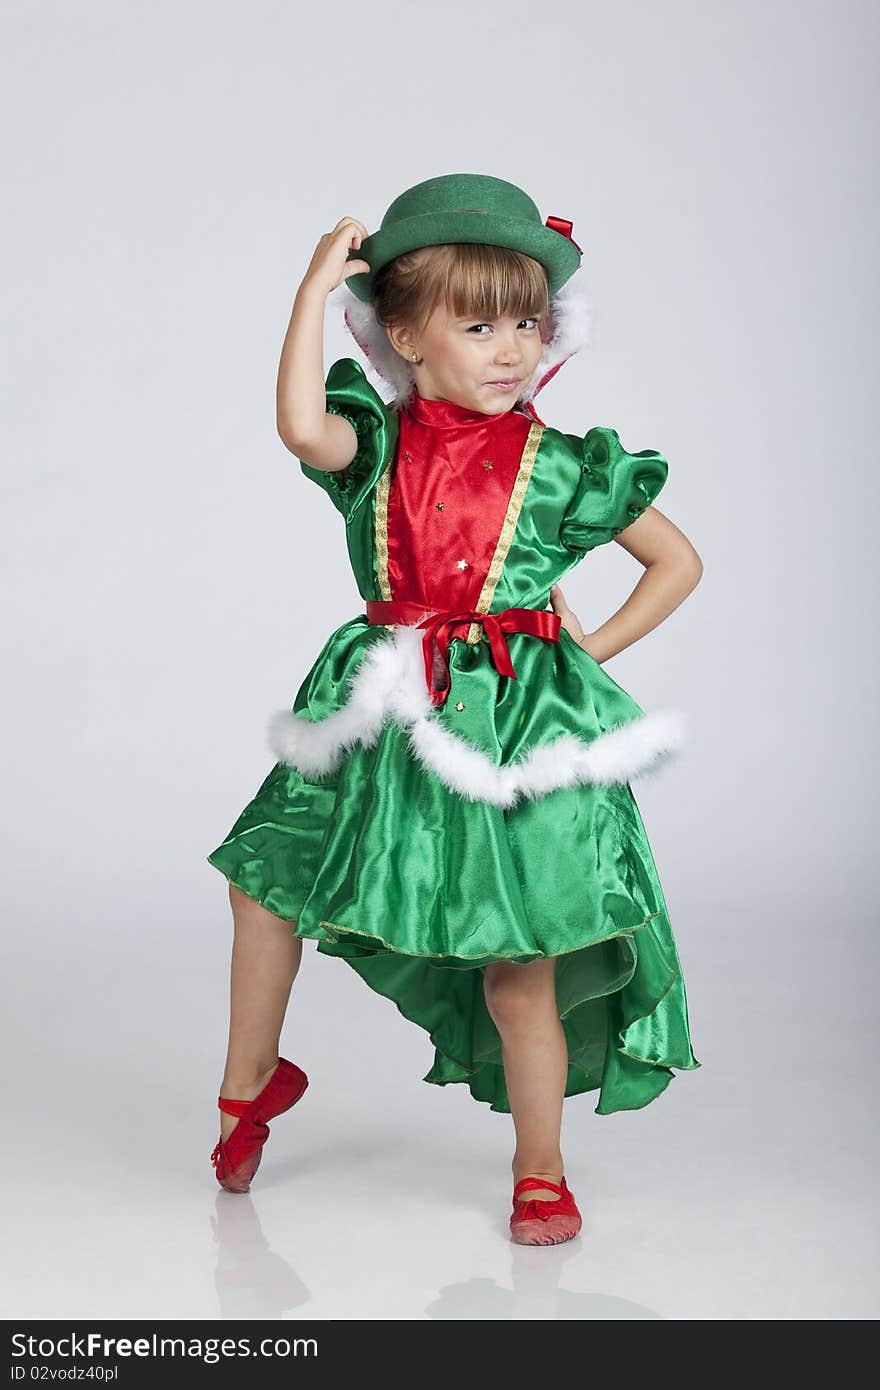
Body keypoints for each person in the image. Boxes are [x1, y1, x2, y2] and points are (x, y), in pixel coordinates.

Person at [206, 173, 702, 1246]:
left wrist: (583, 648)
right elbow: (299, 426)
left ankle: (539, 1167)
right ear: (404, 334)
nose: (512, 348)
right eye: (478, 325)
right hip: (379, 698)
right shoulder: (371, 443)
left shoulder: (563, 462)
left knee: (518, 961)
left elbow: (675, 561)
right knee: (262, 885)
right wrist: (307, 290)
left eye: (525, 322)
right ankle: (248, 1087)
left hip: (509, 724)